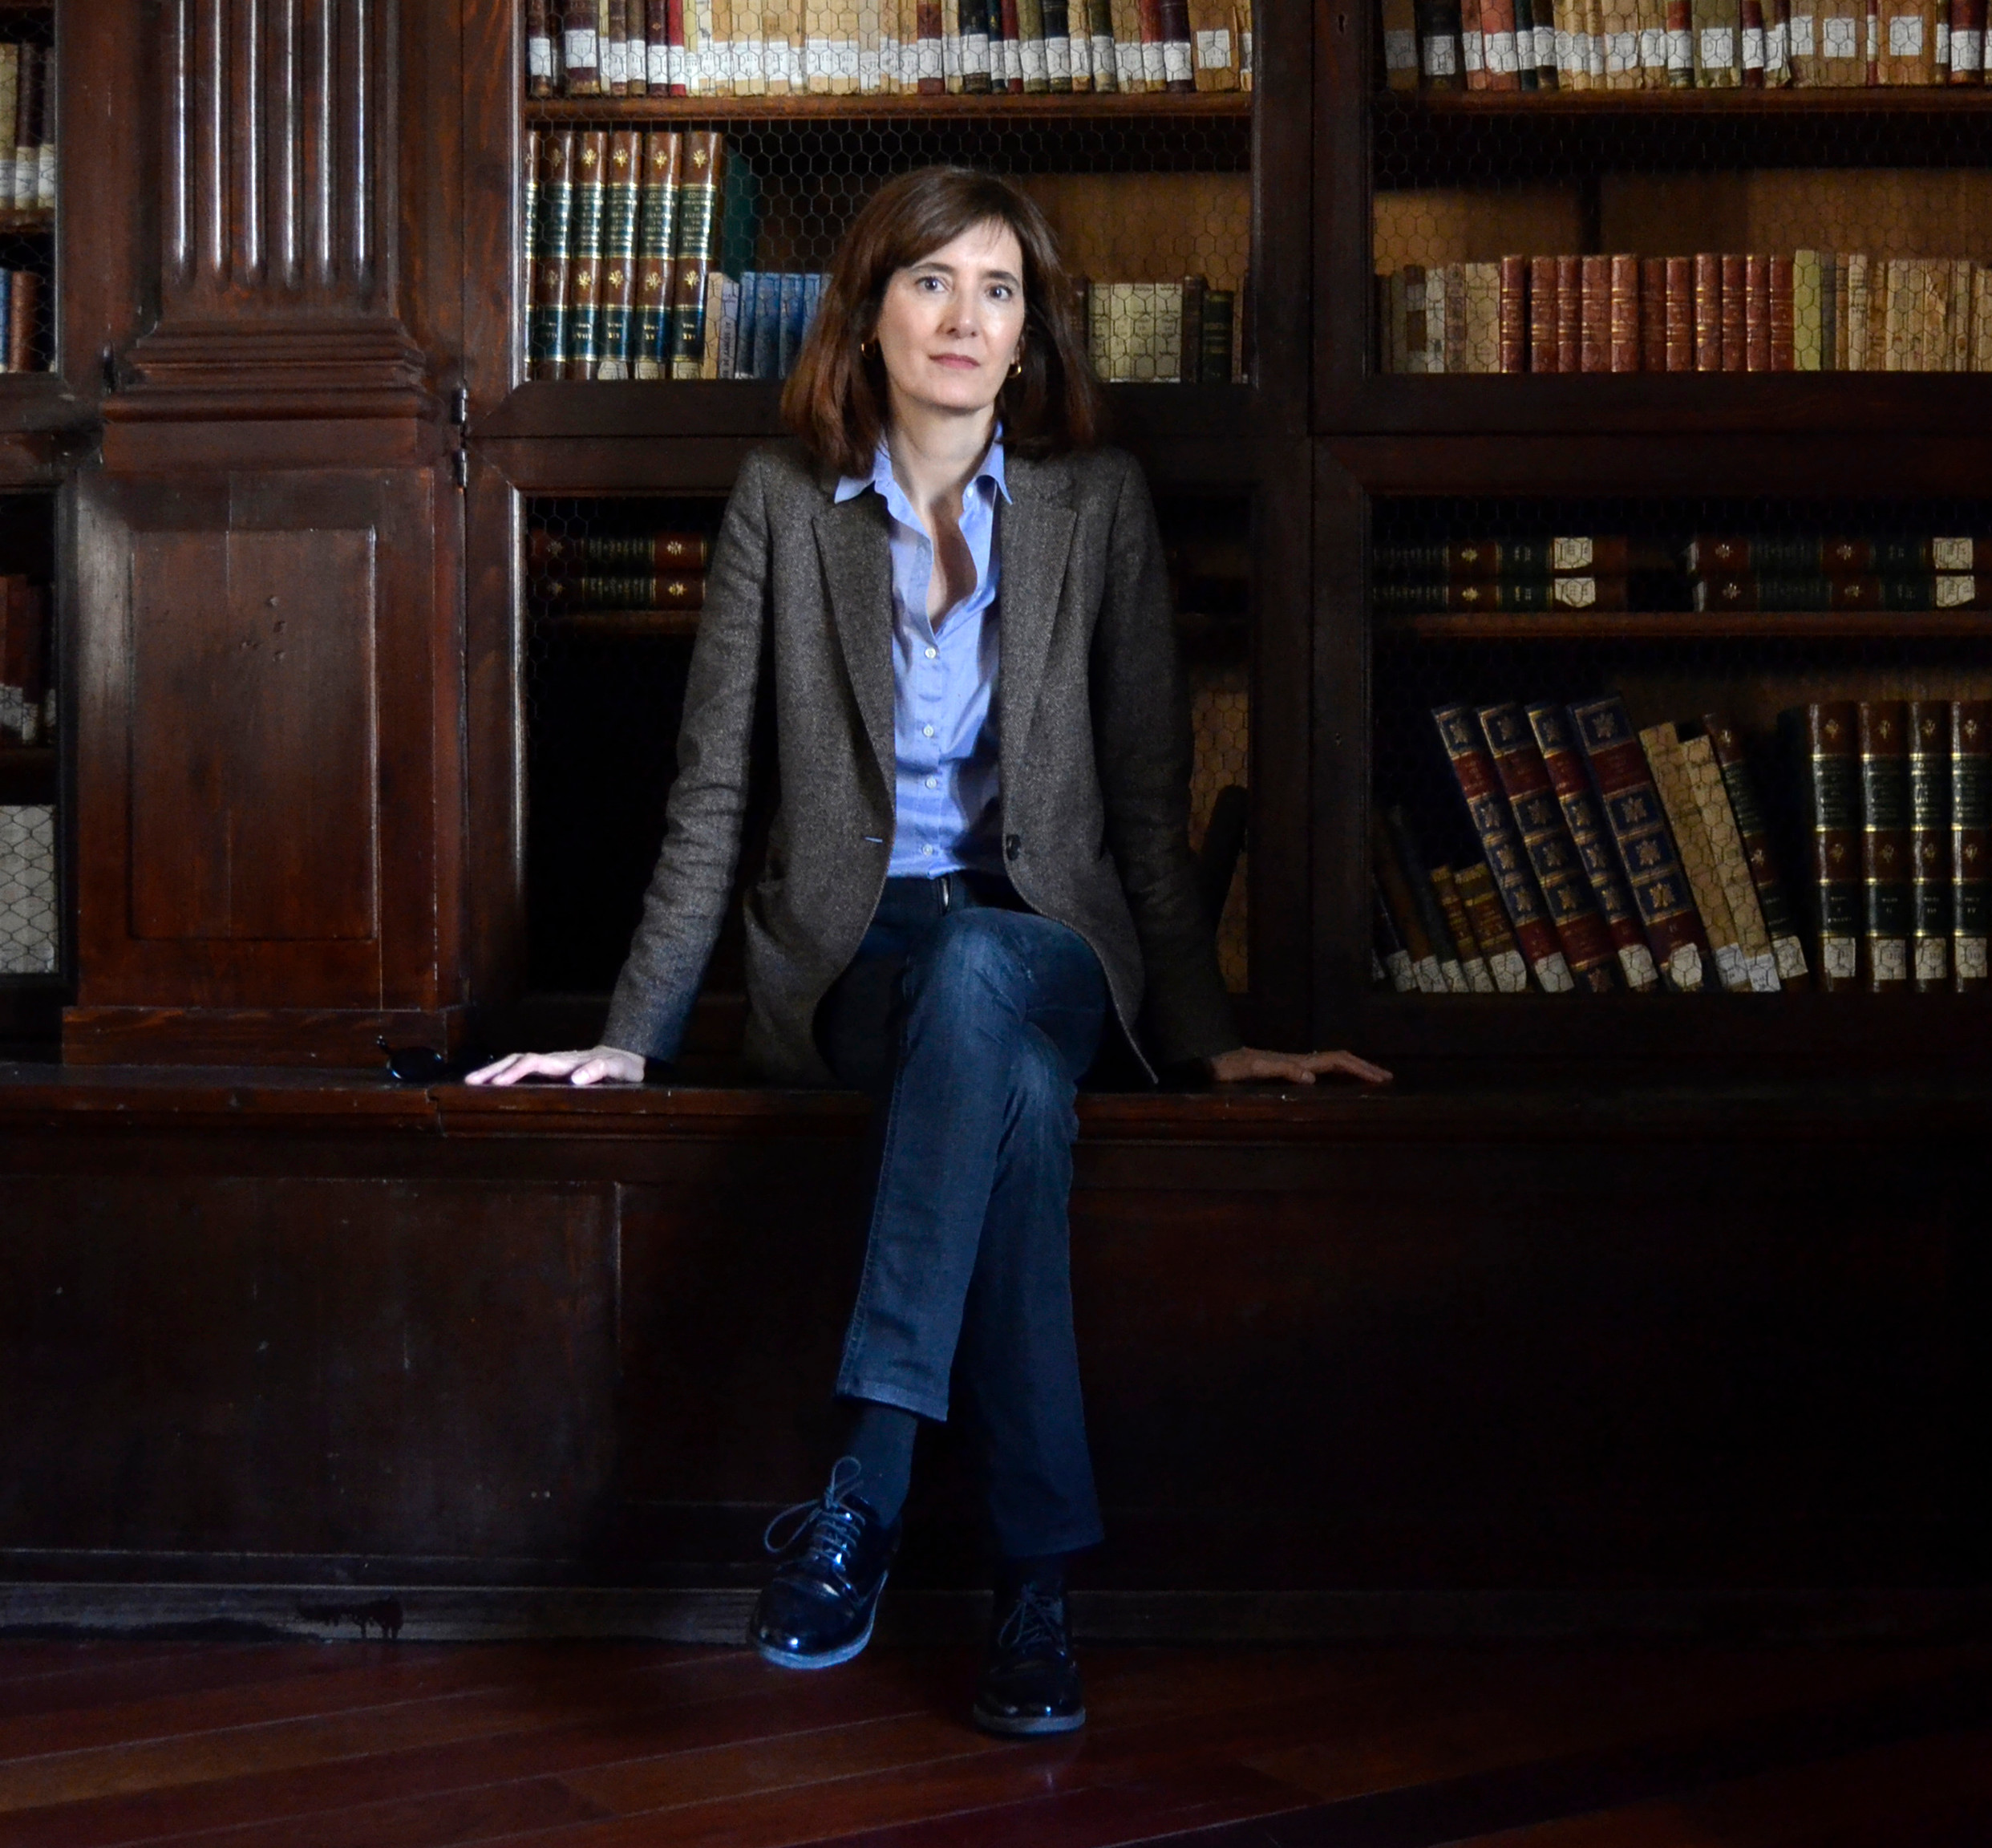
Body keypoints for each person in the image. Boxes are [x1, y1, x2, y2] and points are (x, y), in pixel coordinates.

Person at [468, 167, 1389, 1736]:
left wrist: (1210, 1031)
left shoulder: (1097, 512)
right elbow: (714, 790)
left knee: (989, 984)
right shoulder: (782, 505)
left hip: (1049, 950)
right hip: (855, 967)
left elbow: (1148, 811)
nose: (967, 319)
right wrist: (637, 1031)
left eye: (1001, 289)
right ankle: (1036, 1599)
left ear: (1031, 335)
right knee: (1008, 1108)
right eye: (932, 284)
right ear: (871, 313)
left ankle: (865, 1487)